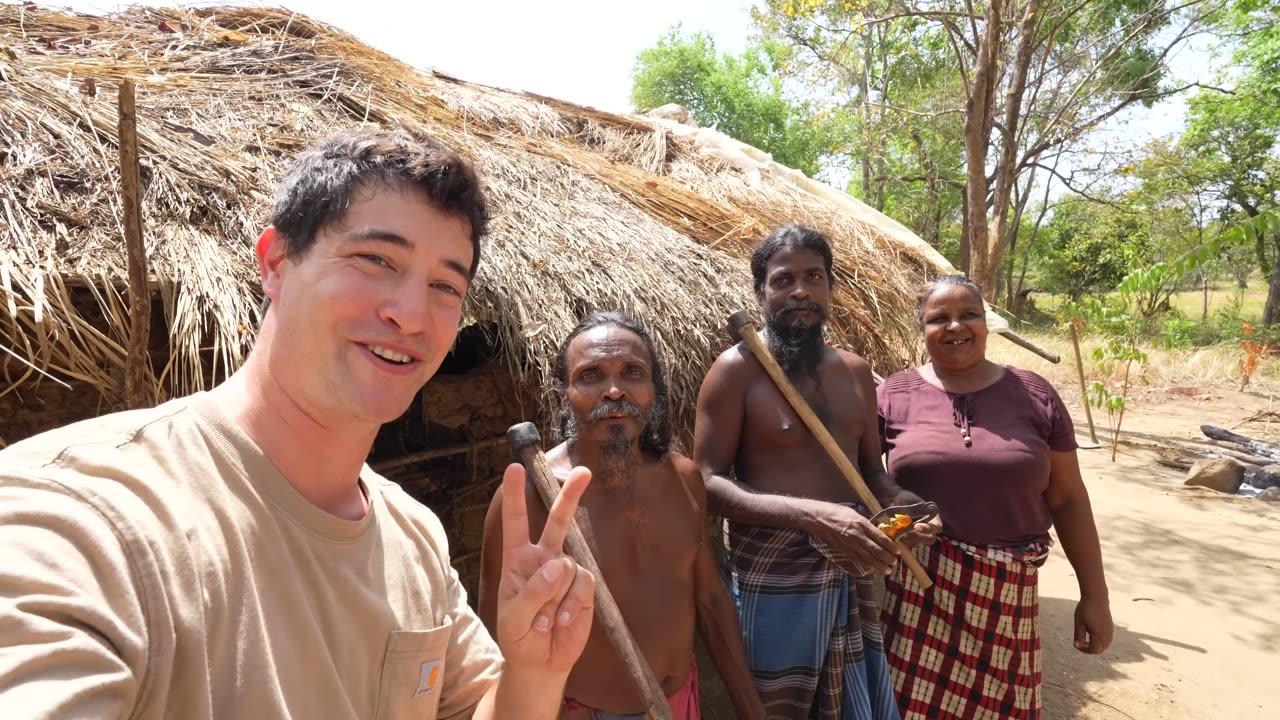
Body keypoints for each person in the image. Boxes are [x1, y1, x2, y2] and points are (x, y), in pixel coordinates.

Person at [0, 129, 599, 719]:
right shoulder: (79, 516)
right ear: (276, 263)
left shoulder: (414, 537)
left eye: (445, 285)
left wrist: (532, 673)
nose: (412, 315)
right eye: (375, 259)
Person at [693, 224, 940, 720]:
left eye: (814, 277)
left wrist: (901, 508)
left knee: (848, 702)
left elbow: (871, 471)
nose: (800, 290)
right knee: (776, 706)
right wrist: (812, 517)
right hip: (774, 578)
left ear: (830, 288)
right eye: (783, 280)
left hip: (850, 564)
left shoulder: (854, 371)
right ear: (762, 291)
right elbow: (706, 483)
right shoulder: (735, 370)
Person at [478, 312, 767, 720]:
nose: (614, 391)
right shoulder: (529, 499)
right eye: (591, 375)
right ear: (564, 393)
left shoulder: (683, 479)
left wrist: (752, 709)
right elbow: (495, 635)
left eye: (632, 373)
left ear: (654, 388)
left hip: (681, 704)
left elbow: (709, 599)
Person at [877, 275, 1114, 720]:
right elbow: (864, 483)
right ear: (921, 328)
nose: (955, 326)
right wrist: (898, 527)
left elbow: (1069, 500)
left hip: (1007, 605)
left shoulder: (1035, 394)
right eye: (938, 318)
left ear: (987, 323)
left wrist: (1095, 596)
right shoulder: (893, 395)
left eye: (968, 314)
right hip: (918, 595)